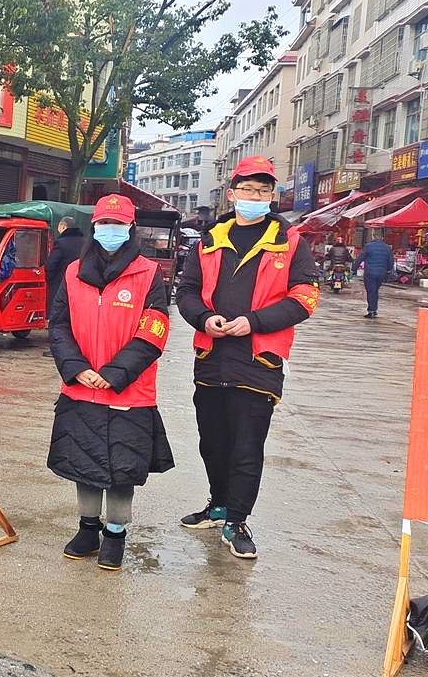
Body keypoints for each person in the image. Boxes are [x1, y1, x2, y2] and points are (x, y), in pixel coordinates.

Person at [175, 156, 319, 560]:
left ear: (272, 196)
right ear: (232, 192)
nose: (255, 197)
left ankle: (237, 520)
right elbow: (185, 292)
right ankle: (218, 504)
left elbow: (305, 298)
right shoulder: (208, 239)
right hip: (212, 356)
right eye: (248, 189)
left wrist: (253, 322)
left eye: (263, 191)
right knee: (212, 441)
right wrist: (205, 319)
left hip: (260, 361)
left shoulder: (290, 242)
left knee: (246, 446)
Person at [48, 194, 174, 572]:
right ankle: (88, 528)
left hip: (128, 390)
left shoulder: (149, 273)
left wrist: (116, 373)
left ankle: (115, 534)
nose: (110, 230)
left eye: (118, 224)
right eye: (104, 223)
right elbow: (58, 325)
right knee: (82, 463)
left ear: (131, 228)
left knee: (122, 468)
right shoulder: (73, 272)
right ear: (94, 226)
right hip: (81, 385)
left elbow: (154, 329)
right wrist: (76, 367)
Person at [43, 217, 84, 358]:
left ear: (62, 226)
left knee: (58, 318)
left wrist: (50, 281)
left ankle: (57, 349)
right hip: (83, 286)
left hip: (61, 285)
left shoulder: (61, 243)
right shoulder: (85, 242)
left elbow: (50, 265)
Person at [352, 233, 395, 318]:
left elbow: (360, 258)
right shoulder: (387, 248)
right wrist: (388, 270)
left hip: (370, 272)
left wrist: (354, 268)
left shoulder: (368, 246)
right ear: (382, 238)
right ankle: (374, 309)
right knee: (375, 291)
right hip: (381, 273)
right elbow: (391, 261)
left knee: (371, 291)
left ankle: (371, 310)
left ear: (373, 237)